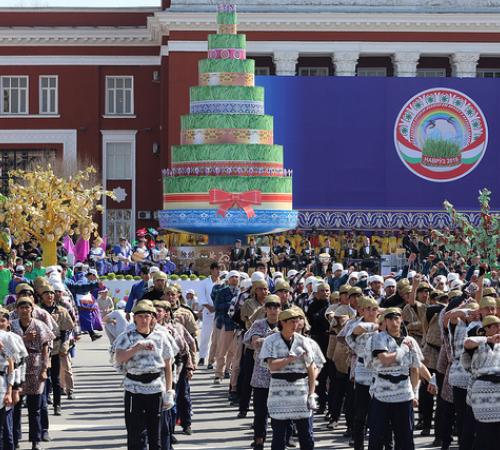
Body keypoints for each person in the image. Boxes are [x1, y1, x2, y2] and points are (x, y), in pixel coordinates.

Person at [113, 300, 175, 450]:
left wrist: (169, 391)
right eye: (140, 316)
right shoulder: (126, 337)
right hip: (134, 388)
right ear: (134, 318)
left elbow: (168, 366)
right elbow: (119, 358)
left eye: (147, 316)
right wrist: (137, 347)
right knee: (135, 434)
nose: (143, 319)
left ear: (152, 318)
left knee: (156, 434)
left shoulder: (161, 337)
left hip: (155, 388)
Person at [260, 308, 318, 450]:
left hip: (300, 391)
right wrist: (289, 359)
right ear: (282, 322)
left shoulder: (303, 341)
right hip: (279, 393)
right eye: (292, 321)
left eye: (297, 321)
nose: (295, 325)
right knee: (279, 436)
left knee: (306, 435)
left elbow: (311, 368)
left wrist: (311, 393)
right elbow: (272, 366)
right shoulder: (270, 341)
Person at [366, 307, 423, 450]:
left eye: (396, 318)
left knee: (405, 438)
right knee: (377, 437)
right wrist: (402, 350)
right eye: (390, 319)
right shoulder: (378, 338)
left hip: (404, 395)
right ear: (385, 321)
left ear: (401, 319)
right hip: (382, 395)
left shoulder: (410, 341)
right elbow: (385, 359)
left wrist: (415, 393)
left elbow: (415, 369)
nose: (394, 322)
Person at [10, 296, 55, 450]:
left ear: (32, 309)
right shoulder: (11, 325)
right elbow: (8, 345)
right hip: (17, 368)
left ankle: (35, 440)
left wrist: (44, 369)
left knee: (34, 407)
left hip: (35, 368)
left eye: (27, 307)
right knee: (15, 407)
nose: (24, 310)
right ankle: (15, 438)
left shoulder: (39, 325)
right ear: (17, 310)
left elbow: (45, 348)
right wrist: (24, 338)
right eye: (21, 307)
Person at [243, 294, 281, 450]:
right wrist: (276, 338)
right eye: (270, 306)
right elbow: (256, 343)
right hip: (261, 374)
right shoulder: (259, 324)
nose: (273, 310)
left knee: (280, 411)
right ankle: (259, 438)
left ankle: (282, 439)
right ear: (265, 309)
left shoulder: (285, 323)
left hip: (281, 375)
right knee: (260, 411)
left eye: (276, 306)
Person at [463, 315, 500, 450]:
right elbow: (467, 342)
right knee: (484, 430)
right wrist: (488, 339)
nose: (499, 329)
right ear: (486, 329)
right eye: (495, 326)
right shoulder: (478, 344)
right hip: (482, 393)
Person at [38, 286, 74, 417]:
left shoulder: (61, 311)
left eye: (51, 293)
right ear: (41, 296)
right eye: (46, 293)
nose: (49, 296)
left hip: (56, 347)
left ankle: (57, 405)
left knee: (56, 378)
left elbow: (67, 329)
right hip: (41, 348)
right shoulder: (37, 311)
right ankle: (43, 401)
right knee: (43, 377)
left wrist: (65, 345)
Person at [197, 262, 220, 367]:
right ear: (211, 270)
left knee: (218, 337)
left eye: (220, 269)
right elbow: (201, 297)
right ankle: (202, 357)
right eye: (217, 269)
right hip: (208, 311)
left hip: (220, 312)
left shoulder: (222, 282)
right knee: (205, 335)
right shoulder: (204, 282)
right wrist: (209, 307)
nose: (219, 271)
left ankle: (214, 358)